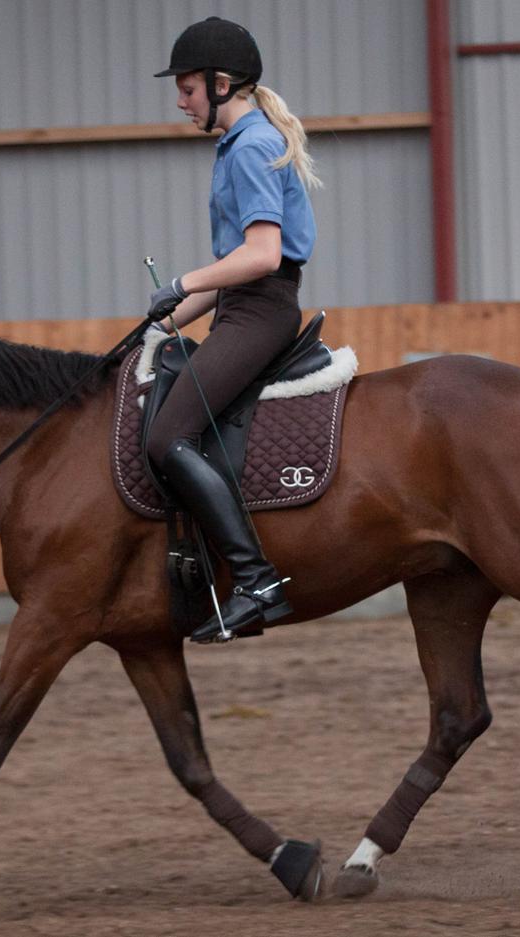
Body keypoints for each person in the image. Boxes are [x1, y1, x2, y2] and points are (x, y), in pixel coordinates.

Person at [145, 16, 320, 644]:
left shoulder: (247, 146)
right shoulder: (240, 143)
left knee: (168, 435)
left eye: (188, 89)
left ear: (221, 85)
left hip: (261, 308)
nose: (180, 100)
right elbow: (231, 273)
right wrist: (161, 321)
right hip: (244, 305)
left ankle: (255, 579)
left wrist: (184, 282)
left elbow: (264, 255)